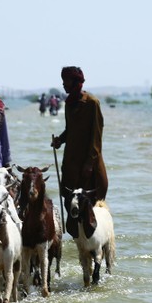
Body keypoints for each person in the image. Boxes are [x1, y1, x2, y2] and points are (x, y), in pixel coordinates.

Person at [51, 66, 108, 238]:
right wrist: (60, 140)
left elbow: (97, 136)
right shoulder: (69, 104)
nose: (63, 85)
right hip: (71, 163)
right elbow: (71, 130)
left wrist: (90, 163)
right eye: (63, 81)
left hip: (89, 165)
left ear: (76, 82)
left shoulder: (92, 103)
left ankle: (95, 247)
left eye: (66, 81)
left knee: (91, 206)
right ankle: (79, 247)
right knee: (71, 205)